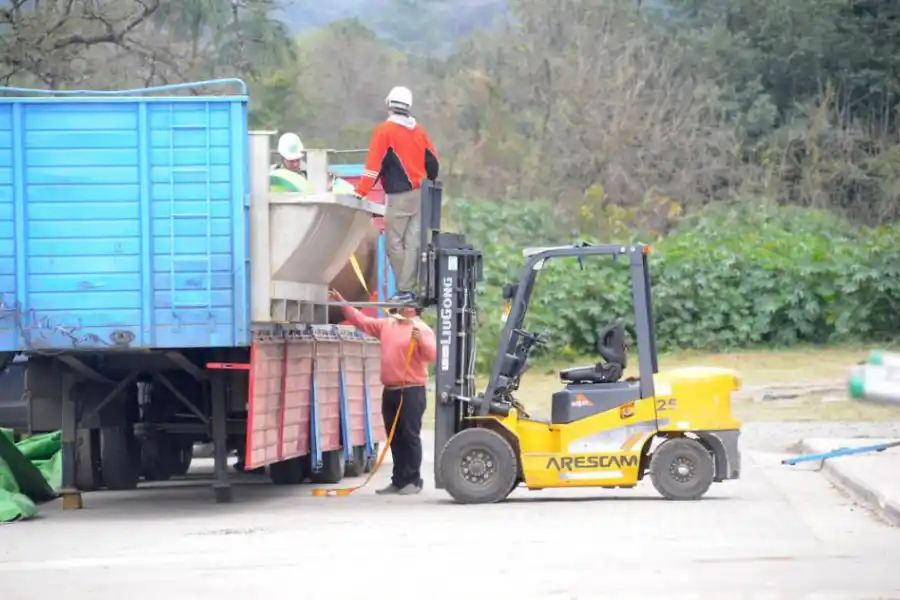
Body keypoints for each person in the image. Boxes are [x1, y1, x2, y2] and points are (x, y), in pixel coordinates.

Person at [328, 288, 436, 495]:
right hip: (391, 390)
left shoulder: (421, 328)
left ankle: (413, 480)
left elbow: (433, 356)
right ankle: (399, 480)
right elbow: (361, 321)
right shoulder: (387, 325)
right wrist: (343, 302)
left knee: (409, 436)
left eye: (399, 305)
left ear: (411, 309)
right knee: (394, 436)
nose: (395, 308)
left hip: (411, 390)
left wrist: (420, 340)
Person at [355, 86, 440, 304]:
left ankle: (404, 291)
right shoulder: (419, 131)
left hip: (399, 196)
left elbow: (373, 166)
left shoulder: (384, 131)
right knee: (413, 242)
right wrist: (426, 180)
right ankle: (409, 290)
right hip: (421, 193)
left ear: (389, 106)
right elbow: (433, 162)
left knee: (393, 242)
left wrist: (360, 191)